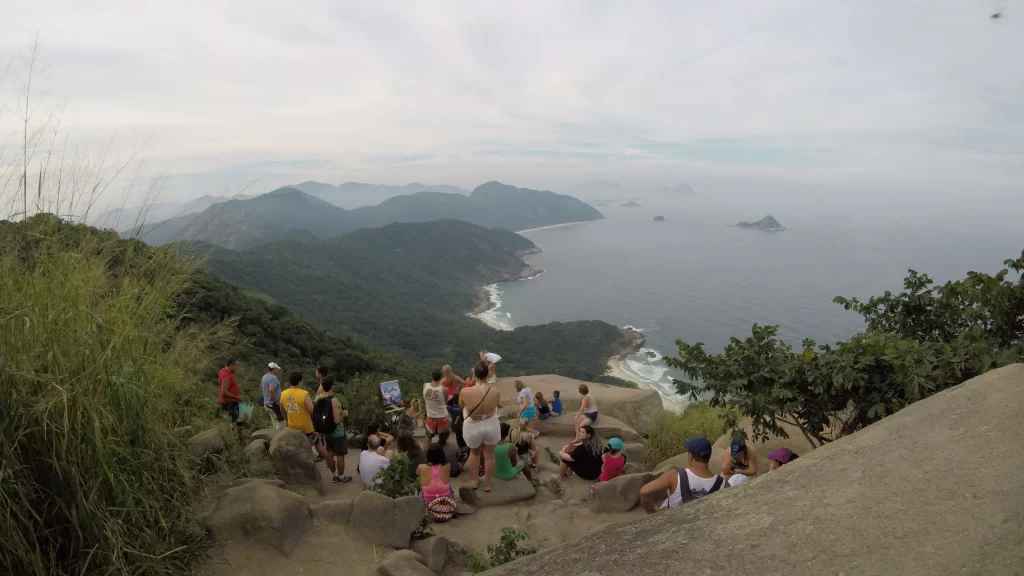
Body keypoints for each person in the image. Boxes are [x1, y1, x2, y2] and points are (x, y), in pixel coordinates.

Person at [639, 437, 723, 513]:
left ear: (690, 456)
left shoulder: (675, 476)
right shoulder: (722, 483)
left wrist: (653, 513)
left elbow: (644, 492)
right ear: (709, 456)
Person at [458, 361, 501, 491]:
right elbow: (495, 405)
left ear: (474, 374)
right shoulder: (495, 391)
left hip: (473, 425)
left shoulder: (465, 391)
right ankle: (487, 484)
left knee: (474, 453)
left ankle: (475, 481)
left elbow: (461, 406)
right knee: (489, 455)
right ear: (488, 374)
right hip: (490, 424)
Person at [280, 371, 330, 461]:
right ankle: (330, 463)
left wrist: (287, 419)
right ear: (299, 382)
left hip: (292, 426)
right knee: (318, 444)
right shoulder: (304, 394)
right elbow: (312, 411)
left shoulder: (283, 394)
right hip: (306, 427)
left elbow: (282, 410)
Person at [315, 375, 352, 484]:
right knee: (340, 455)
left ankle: (334, 476)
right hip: (338, 432)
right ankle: (341, 477)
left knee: (330, 453)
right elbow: (336, 420)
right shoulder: (334, 400)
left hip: (327, 432)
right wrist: (344, 414)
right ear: (332, 387)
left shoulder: (318, 398)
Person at [419, 443, 457, 522]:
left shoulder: (421, 467)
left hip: (428, 501)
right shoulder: (448, 466)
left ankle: (426, 509)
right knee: (448, 485)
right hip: (445, 499)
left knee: (421, 486)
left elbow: (417, 474)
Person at [423, 369, 451, 446]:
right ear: (441, 377)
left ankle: (427, 454)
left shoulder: (425, 385)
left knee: (428, 438)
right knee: (442, 439)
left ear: (432, 376)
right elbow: (445, 402)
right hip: (442, 418)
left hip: (430, 417)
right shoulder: (444, 389)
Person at [218, 358, 243, 424]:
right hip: (229, 403)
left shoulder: (224, 371)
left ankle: (239, 432)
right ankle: (237, 433)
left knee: (242, 417)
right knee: (237, 421)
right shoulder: (226, 376)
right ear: (231, 365)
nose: (237, 368)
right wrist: (237, 397)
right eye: (236, 366)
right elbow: (224, 392)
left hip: (232, 401)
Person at [260, 362, 284, 429]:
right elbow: (271, 389)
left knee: (274, 421)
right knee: (280, 421)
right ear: (274, 369)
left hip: (266, 403)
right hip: (273, 404)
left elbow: (261, 388)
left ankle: (274, 436)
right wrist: (274, 401)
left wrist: (265, 397)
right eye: (277, 368)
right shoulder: (273, 378)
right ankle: (279, 438)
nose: (278, 370)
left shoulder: (264, 377)